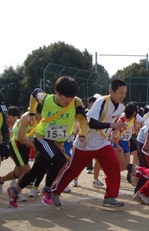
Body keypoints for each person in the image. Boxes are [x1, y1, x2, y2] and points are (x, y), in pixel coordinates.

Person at [7, 76, 88, 208]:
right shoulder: (45, 99)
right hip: (42, 138)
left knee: (37, 170)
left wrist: (82, 134)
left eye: (71, 96)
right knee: (60, 159)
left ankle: (14, 191)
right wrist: (32, 112)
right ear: (57, 92)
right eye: (64, 96)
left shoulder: (76, 102)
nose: (67, 100)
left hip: (58, 142)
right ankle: (47, 190)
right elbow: (34, 92)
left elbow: (83, 120)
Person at [51, 79, 128, 208]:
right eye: (120, 92)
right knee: (72, 170)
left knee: (114, 165)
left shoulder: (121, 107)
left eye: (125, 93)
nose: (123, 95)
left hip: (103, 143)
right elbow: (91, 122)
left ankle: (110, 197)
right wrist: (112, 125)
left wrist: (115, 129)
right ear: (111, 91)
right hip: (85, 143)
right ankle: (55, 191)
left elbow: (111, 125)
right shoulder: (102, 102)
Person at [0, 106, 43, 200]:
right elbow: (20, 138)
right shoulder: (27, 117)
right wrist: (35, 146)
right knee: (27, 171)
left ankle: (0, 180)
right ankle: (16, 191)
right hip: (16, 144)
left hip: (26, 145)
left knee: (18, 172)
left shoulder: (43, 117)